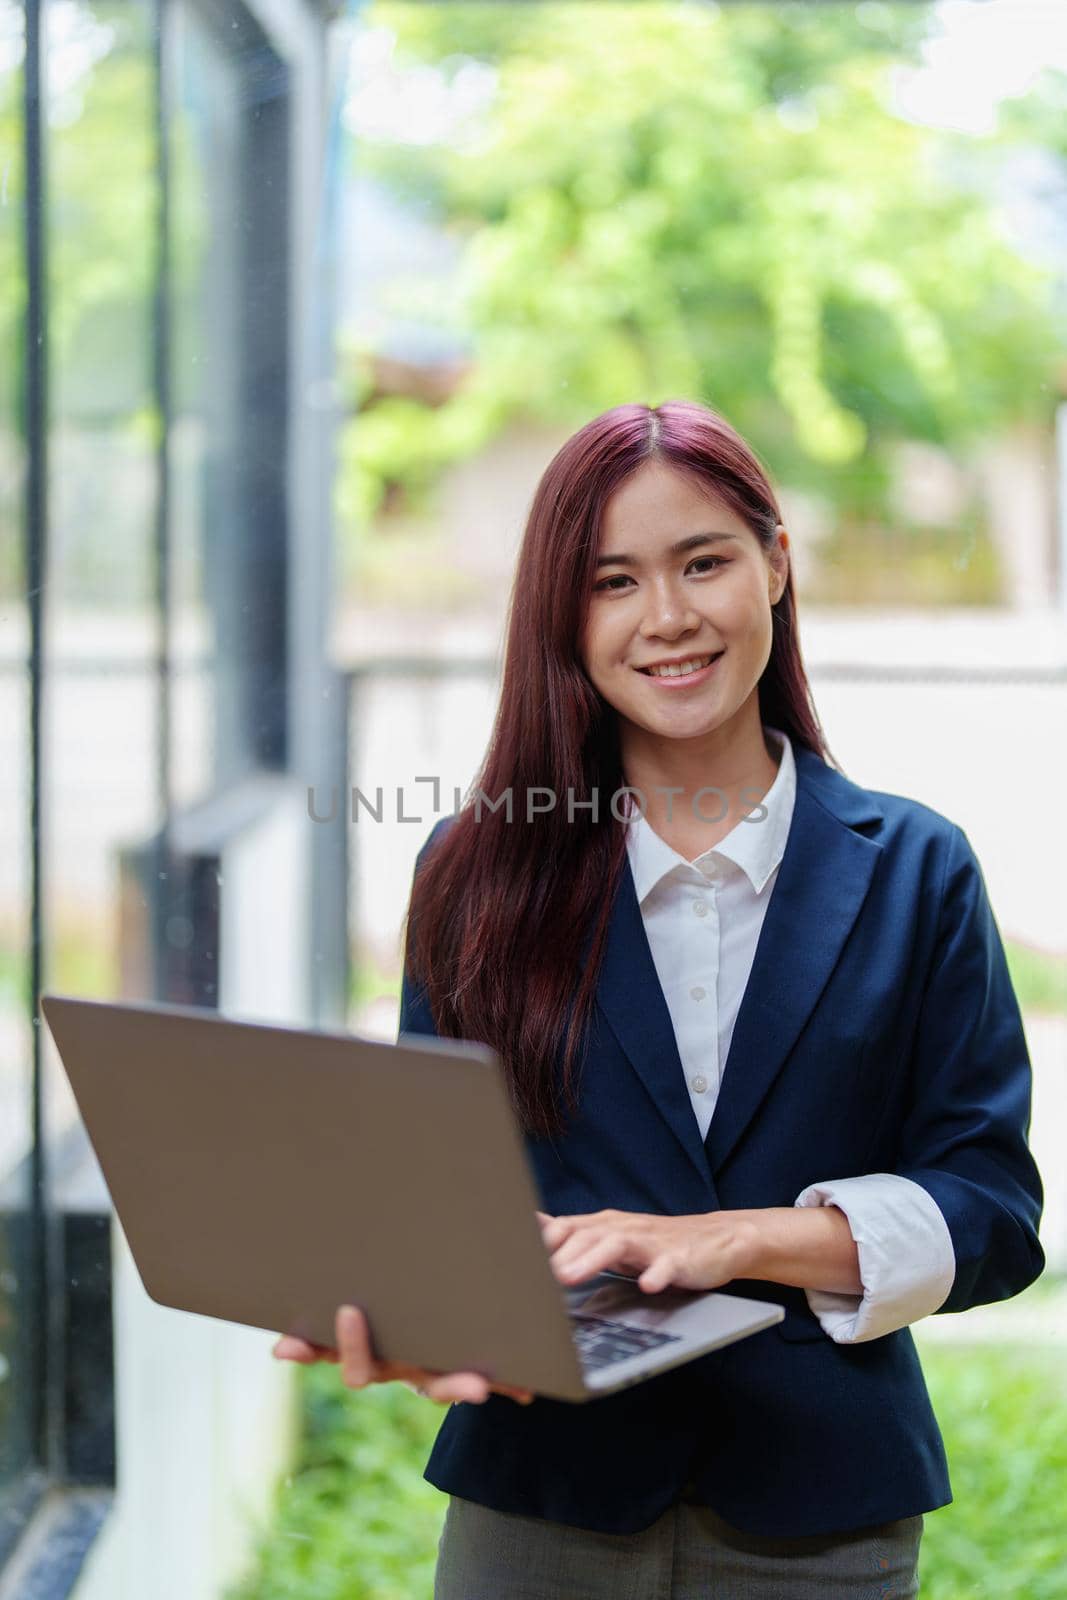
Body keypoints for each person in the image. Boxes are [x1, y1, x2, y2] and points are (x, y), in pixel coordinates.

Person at [274, 400, 1045, 1598]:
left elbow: (989, 1213)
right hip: (542, 1495)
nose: (668, 617)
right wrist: (418, 1313)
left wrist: (729, 1240)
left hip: (821, 1510)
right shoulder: (474, 870)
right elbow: (445, 1197)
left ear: (775, 564)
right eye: (611, 581)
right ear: (561, 617)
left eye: (703, 562)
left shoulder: (914, 867)